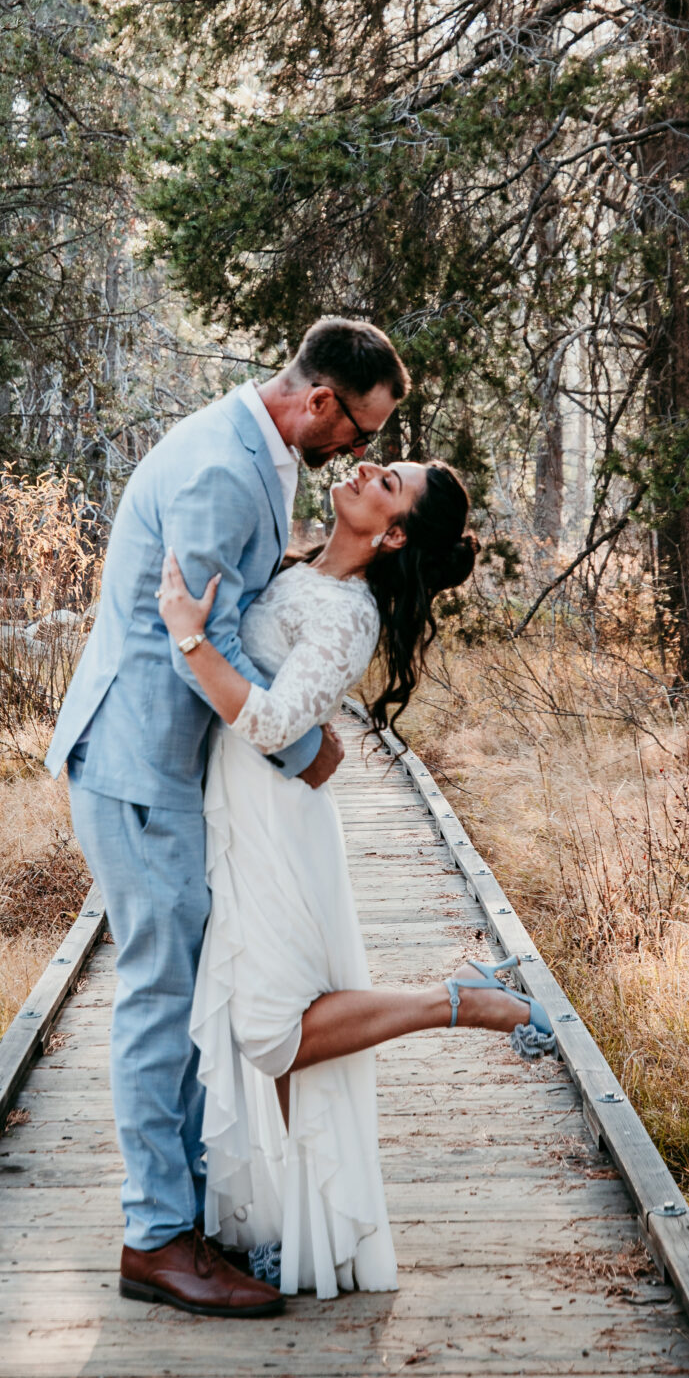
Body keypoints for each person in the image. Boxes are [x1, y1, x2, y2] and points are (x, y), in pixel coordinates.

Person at [46, 317, 409, 1318]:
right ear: (324, 401)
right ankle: (157, 1238)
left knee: (184, 987)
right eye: (362, 430)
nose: (361, 452)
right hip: (138, 763)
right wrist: (304, 746)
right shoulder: (219, 467)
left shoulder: (260, 451)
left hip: (172, 770)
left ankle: (188, 1214)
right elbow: (192, 644)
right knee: (162, 996)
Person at [158, 454, 555, 1301]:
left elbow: (266, 722)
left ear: (394, 533)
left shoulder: (347, 614)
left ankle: (458, 1001)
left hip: (274, 827)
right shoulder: (300, 564)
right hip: (241, 813)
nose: (369, 467)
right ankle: (298, 1232)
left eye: (388, 483)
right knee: (265, 1029)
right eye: (381, 463)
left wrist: (186, 634)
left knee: (270, 1035)